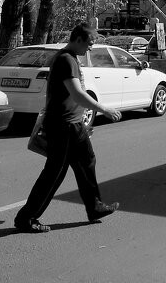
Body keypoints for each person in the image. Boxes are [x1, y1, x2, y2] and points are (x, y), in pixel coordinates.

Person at [14, 23, 121, 234]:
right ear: (78, 39)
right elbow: (77, 94)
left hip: (73, 124)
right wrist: (104, 110)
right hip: (62, 126)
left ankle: (95, 207)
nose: (90, 48)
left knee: (87, 162)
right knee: (54, 173)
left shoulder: (70, 59)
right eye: (90, 43)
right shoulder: (66, 59)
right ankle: (26, 218)